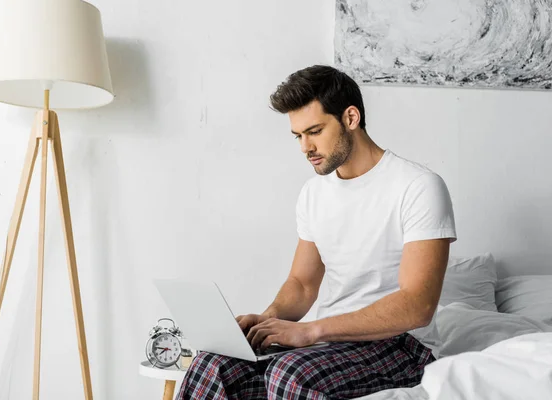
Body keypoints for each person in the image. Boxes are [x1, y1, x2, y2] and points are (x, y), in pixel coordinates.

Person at [177, 65, 456, 400]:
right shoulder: (314, 193)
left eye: (314, 131)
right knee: (212, 364)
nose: (304, 147)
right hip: (330, 344)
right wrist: (267, 320)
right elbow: (303, 284)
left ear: (351, 118)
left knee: (290, 374)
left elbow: (417, 306)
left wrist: (311, 331)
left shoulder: (418, 186)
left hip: (402, 346)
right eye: (298, 135)